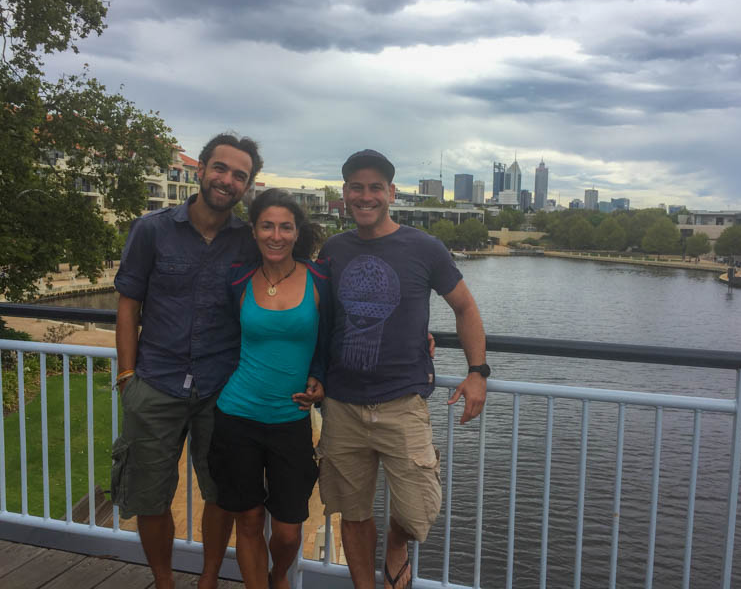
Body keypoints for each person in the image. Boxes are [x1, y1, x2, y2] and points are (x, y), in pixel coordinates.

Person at [317, 149, 490, 589]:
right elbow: (317, 317)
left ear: (391, 193)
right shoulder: (333, 250)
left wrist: (477, 372)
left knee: (417, 513)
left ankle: (396, 541)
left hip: (402, 403)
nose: (366, 195)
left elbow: (465, 307)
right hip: (342, 405)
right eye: (357, 187)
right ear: (344, 195)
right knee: (353, 514)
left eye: (376, 187)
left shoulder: (424, 247)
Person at [112, 133, 263, 589]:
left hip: (222, 388)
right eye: (221, 168)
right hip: (155, 383)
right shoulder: (152, 229)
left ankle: (209, 578)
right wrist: (126, 376)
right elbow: (128, 304)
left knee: (220, 493)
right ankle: (163, 581)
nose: (227, 180)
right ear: (200, 169)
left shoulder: (249, 242)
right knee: (150, 496)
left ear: (247, 186)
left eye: (240, 175)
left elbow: (294, 288)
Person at [208, 188, 332, 589]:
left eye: (285, 227)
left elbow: (338, 335)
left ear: (298, 233)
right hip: (237, 416)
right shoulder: (239, 280)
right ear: (254, 231)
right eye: (267, 226)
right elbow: (220, 334)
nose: (276, 235)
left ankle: (279, 576)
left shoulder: (320, 281)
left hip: (290, 420)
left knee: (288, 531)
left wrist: (321, 376)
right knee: (247, 519)